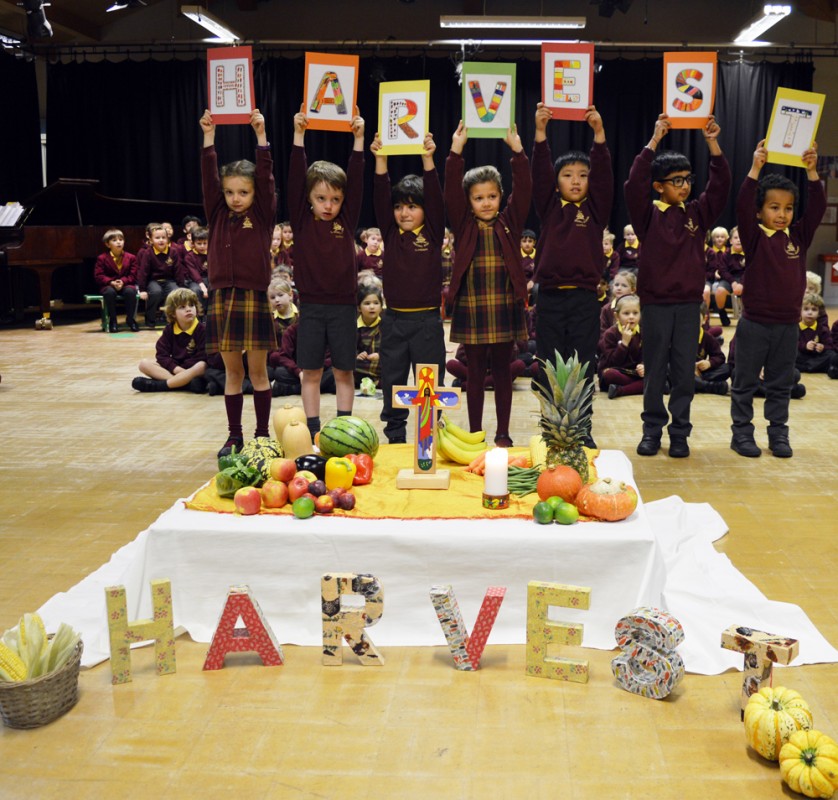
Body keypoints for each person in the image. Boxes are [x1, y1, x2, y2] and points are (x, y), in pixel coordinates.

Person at [625, 112, 730, 458]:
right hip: (655, 305)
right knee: (655, 370)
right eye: (676, 180)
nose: (684, 185)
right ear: (659, 186)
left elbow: (721, 186)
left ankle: (680, 433)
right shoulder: (646, 215)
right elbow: (632, 183)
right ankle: (651, 431)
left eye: (688, 179)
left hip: (688, 306)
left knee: (684, 371)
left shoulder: (696, 215)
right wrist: (654, 139)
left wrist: (712, 144)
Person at [729, 138, 825, 458]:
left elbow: (818, 209)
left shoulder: (798, 237)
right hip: (754, 325)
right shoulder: (754, 236)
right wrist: (756, 167)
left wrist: (811, 172)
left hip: (787, 327)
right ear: (760, 211)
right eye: (774, 207)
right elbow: (742, 203)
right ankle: (742, 433)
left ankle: (778, 433)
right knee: (744, 384)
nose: (782, 214)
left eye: (787, 208)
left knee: (780, 384)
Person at [445, 119, 532, 447]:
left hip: (504, 306)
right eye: (479, 197)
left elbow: (524, 189)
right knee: (475, 375)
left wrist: (518, 153)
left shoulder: (510, 221)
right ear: (469, 202)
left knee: (504, 371)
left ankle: (503, 432)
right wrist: (456, 151)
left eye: (492, 196)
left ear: (500, 197)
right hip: (473, 307)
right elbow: (451, 189)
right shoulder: (464, 224)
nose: (486, 202)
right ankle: (475, 431)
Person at [531, 103, 613, 449]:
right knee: (548, 366)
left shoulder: (595, 210)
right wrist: (540, 134)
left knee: (583, 366)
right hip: (549, 298)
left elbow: (606, 176)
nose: (576, 180)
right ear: (556, 181)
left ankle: (582, 428)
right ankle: (552, 427)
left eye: (583, 174)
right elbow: (537, 174)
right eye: (567, 175)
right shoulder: (548, 207)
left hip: (583, 299)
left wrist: (599, 135)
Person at [200, 107, 277, 457]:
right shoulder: (216, 213)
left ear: (253, 194)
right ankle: (235, 437)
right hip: (222, 297)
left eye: (242, 192)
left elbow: (265, 177)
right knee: (233, 373)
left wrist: (261, 137)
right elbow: (207, 176)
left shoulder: (262, 214)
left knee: (258, 373)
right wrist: (209, 137)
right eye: (230, 192)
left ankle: (262, 435)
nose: (235, 198)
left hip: (253, 297)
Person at [289, 102, 365, 438]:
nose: (328, 206)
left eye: (335, 199)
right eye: (321, 199)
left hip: (344, 307)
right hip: (311, 307)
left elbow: (359, 180)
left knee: (346, 371)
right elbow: (294, 177)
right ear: (308, 199)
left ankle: (344, 428)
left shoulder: (346, 221)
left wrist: (359, 141)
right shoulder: (302, 219)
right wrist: (299, 136)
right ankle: (314, 429)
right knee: (312, 372)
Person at [370, 130, 447, 443]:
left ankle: (427, 439)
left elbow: (437, 199)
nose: (404, 212)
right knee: (392, 381)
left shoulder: (432, 232)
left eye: (412, 206)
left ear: (426, 211)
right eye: (400, 206)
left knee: (428, 386)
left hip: (427, 323)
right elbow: (379, 193)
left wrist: (428, 159)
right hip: (394, 323)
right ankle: (395, 436)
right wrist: (380, 159)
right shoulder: (390, 233)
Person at [131, 288, 207, 392]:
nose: (188, 309)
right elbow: (162, 355)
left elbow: (203, 356)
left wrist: (183, 370)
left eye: (191, 305)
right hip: (176, 370)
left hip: (192, 370)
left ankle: (161, 385)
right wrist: (176, 369)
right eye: (182, 307)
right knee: (144, 364)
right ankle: (185, 384)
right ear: (173, 313)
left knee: (202, 366)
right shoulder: (169, 329)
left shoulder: (202, 329)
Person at [597, 293, 644, 399]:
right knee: (610, 374)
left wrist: (642, 365)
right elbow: (612, 362)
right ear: (617, 316)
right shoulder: (610, 334)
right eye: (626, 313)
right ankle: (637, 386)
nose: (631, 317)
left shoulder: (642, 333)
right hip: (615, 371)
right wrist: (624, 344)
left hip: (634, 373)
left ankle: (620, 390)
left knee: (657, 374)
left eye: (635, 313)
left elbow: (645, 355)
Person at [93, 228, 139, 333]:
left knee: (130, 291)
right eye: (114, 240)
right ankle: (113, 320)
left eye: (121, 239)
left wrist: (123, 281)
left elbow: (133, 275)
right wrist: (111, 282)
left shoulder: (131, 257)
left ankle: (130, 319)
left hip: (126, 284)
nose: (118, 242)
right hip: (109, 285)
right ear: (108, 244)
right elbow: (99, 275)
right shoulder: (102, 258)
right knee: (109, 292)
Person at [137, 222, 182, 329]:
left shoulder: (173, 252)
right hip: (153, 281)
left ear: (168, 239)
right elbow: (143, 272)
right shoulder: (148, 253)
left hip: (169, 280)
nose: (161, 240)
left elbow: (178, 270)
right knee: (156, 292)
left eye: (163, 237)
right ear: (151, 240)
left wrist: (181, 286)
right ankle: (150, 320)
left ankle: (171, 320)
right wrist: (142, 289)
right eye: (157, 238)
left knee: (174, 292)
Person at [796, 292, 833, 373]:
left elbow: (830, 346)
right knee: (790, 353)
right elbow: (791, 344)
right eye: (806, 309)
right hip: (801, 356)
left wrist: (823, 347)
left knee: (831, 355)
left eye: (814, 309)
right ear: (800, 311)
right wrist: (805, 346)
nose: (810, 312)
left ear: (819, 313)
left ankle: (806, 367)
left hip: (816, 357)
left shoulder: (823, 329)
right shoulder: (795, 328)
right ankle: (812, 367)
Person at [694, 312, 729, 395]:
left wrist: (709, 363)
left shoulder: (707, 337)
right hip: (683, 371)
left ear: (704, 320)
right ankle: (709, 386)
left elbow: (720, 357)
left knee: (727, 368)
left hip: (701, 373)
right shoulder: (679, 335)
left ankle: (697, 384)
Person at [355, 283, 383, 388]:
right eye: (367, 303)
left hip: (378, 369)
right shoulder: (354, 327)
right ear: (359, 308)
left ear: (381, 306)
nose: (372, 307)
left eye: (376, 303)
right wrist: (357, 355)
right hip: (358, 369)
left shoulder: (385, 326)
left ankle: (375, 382)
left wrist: (380, 355)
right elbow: (347, 349)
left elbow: (392, 349)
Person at [704, 226, 731, 324]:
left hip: (724, 278)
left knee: (719, 289)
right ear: (713, 238)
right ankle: (705, 318)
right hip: (711, 279)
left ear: (727, 238)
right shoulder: (711, 251)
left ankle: (721, 311)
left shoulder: (729, 251)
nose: (719, 239)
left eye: (722, 237)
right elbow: (711, 268)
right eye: (717, 237)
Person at [179, 225, 210, 306]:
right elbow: (194, 273)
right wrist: (203, 287)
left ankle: (209, 315)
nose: (202, 246)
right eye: (199, 243)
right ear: (193, 243)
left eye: (205, 243)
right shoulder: (189, 256)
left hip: (209, 279)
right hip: (195, 281)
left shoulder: (212, 254)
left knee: (215, 289)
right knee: (196, 290)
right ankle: (199, 314)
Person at [600, 269, 637, 334]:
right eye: (616, 285)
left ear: (633, 290)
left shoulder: (638, 307)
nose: (619, 288)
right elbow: (603, 333)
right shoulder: (606, 309)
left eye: (624, 286)